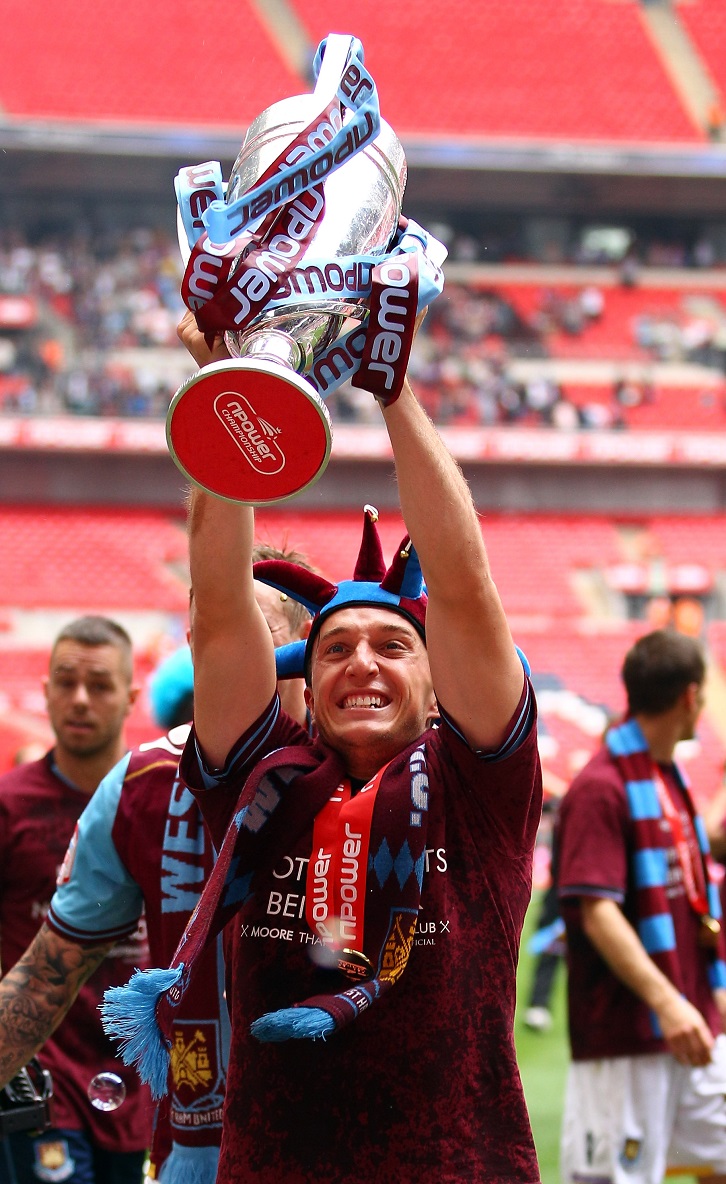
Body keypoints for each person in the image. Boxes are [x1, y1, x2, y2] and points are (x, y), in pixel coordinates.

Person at [103, 310, 543, 1184]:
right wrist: (233, 387)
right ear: (306, 678)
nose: (361, 664)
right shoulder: (265, 781)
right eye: (336, 648)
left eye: (392, 646)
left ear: (435, 682)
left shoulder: (479, 784)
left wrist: (394, 389)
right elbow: (222, 609)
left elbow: (463, 585)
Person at [0, 561, 313, 1184]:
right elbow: (43, 974)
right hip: (179, 1135)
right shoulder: (137, 786)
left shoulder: (370, 771)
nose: (234, 650)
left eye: (256, 632)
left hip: (339, 1138)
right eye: (215, 630)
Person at [557, 628, 726, 1184]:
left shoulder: (664, 777)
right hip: (630, 1032)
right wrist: (669, 1002)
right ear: (690, 697)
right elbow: (597, 910)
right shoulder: (601, 787)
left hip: (691, 1024)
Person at [0, 615, 153, 1184]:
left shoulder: (161, 796)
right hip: (43, 1082)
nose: (80, 699)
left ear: (130, 696)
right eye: (65, 682)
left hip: (143, 1082)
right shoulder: (9, 806)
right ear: (44, 691)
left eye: (100, 685)